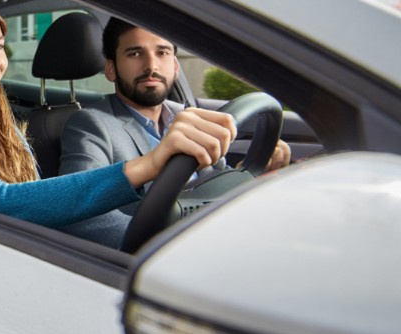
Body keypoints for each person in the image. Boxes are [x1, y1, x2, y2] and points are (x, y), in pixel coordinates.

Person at [0, 0, 236, 233]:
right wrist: (150, 163)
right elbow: (1, 204)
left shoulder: (6, 131)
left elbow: (37, 204)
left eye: (0, 47)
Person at [58, 17, 290, 247]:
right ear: (111, 69)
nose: (151, 66)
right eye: (135, 53)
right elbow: (80, 212)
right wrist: (170, 246)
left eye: (162, 52)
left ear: (176, 66)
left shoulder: (189, 115)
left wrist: (250, 175)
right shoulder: (92, 123)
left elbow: (215, 179)